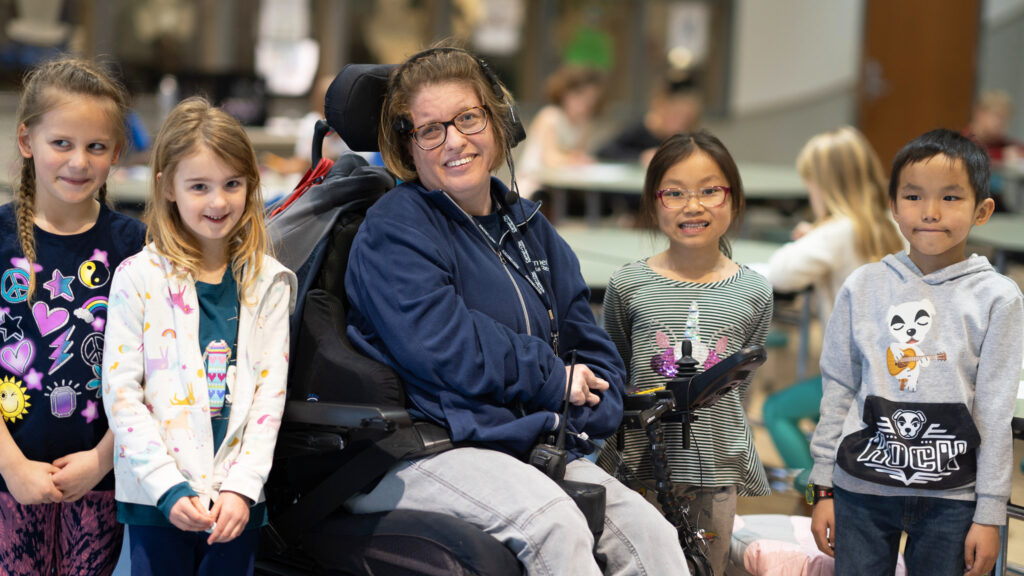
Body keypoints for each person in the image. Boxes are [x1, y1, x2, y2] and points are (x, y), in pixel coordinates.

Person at [344, 44, 689, 575]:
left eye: (467, 118)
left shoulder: (529, 228)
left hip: (522, 440)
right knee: (556, 525)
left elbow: (588, 345)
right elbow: (446, 348)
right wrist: (555, 380)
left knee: (652, 537)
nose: (454, 140)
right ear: (409, 148)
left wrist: (593, 404)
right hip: (424, 445)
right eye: (430, 129)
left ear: (498, 121)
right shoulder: (395, 230)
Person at [808, 128, 1023, 576]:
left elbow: (995, 410)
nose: (929, 212)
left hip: (952, 500)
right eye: (913, 196)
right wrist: (823, 486)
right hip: (859, 490)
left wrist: (989, 512)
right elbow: (839, 387)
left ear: (982, 210)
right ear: (892, 206)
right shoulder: (863, 285)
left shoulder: (998, 298)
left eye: (950, 198)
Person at [102, 97, 296, 575]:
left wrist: (242, 487)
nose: (218, 201)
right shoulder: (137, 277)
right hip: (158, 501)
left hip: (235, 505)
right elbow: (122, 393)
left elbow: (270, 399)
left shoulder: (268, 281)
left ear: (252, 184)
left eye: (232, 184)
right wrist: (167, 487)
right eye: (199, 186)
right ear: (167, 187)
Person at [597, 130, 773, 575]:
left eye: (710, 191)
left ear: (733, 199)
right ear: (653, 203)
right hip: (639, 466)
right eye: (674, 193)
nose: (692, 206)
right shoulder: (628, 284)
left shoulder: (754, 290)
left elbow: (738, 380)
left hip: (715, 467)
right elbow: (616, 367)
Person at [0, 55, 146, 576]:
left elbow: (151, 368)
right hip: (6, 481)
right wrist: (12, 466)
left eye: (95, 146)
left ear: (115, 154)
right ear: (26, 142)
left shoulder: (135, 246)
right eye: (61, 143)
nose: (78, 161)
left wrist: (104, 459)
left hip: (99, 482)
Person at [762, 126, 904, 489]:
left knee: (776, 411)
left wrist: (810, 235)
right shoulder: (894, 224)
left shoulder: (836, 232)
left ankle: (817, 493)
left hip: (856, 378)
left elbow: (780, 273)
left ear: (826, 185)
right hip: (897, 372)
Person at [517, 65, 605, 199]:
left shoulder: (583, 124)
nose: (584, 106)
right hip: (534, 184)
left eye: (589, 102)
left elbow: (577, 154)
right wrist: (576, 160)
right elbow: (550, 158)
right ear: (565, 94)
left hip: (560, 186)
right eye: (579, 98)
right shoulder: (550, 116)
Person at [597, 73, 702, 166]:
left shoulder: (689, 137)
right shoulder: (641, 129)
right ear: (661, 109)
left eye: (686, 119)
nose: (680, 124)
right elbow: (604, 152)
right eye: (675, 116)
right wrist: (641, 157)